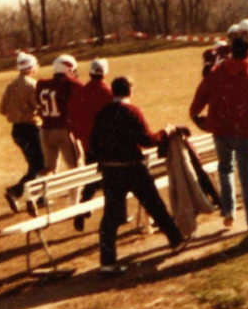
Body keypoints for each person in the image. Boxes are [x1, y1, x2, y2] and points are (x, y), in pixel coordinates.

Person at [90, 77, 190, 274]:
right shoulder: (132, 111)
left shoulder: (102, 113)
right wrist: (166, 132)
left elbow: (93, 143)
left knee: (110, 216)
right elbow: (147, 140)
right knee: (154, 204)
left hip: (111, 170)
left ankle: (107, 261)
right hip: (133, 167)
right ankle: (175, 239)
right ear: (130, 91)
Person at [189, 37, 248, 229]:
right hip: (242, 131)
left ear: (231, 51)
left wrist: (202, 121)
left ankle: (228, 211)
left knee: (225, 169)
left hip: (220, 130)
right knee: (247, 176)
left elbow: (197, 102)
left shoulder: (215, 73)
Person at [67, 58, 114, 231]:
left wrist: (79, 135)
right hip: (107, 144)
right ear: (105, 73)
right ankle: (117, 215)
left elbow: (71, 116)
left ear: (90, 73)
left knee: (92, 180)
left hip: (88, 143)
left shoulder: (81, 91)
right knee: (111, 179)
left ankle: (82, 210)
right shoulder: (109, 92)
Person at [0, 52, 44, 213]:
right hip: (32, 128)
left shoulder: (11, 86)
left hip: (17, 130)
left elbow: (2, 109)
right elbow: (39, 106)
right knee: (41, 164)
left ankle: (37, 196)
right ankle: (18, 192)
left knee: (35, 164)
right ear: (32, 67)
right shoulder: (32, 85)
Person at [35, 54, 83, 174]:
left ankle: (40, 192)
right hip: (63, 130)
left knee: (49, 168)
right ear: (69, 68)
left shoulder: (41, 84)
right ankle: (75, 194)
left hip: (45, 130)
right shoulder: (71, 83)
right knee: (75, 168)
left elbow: (39, 106)